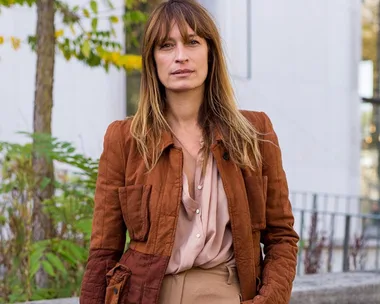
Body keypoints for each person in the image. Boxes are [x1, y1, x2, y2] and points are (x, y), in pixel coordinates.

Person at [80, 0, 299, 303]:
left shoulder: (254, 133)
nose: (180, 56)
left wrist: (268, 300)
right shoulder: (125, 139)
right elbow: (104, 250)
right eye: (166, 46)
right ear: (152, 60)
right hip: (145, 294)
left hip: (225, 291)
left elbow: (281, 237)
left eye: (192, 41)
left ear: (211, 52)